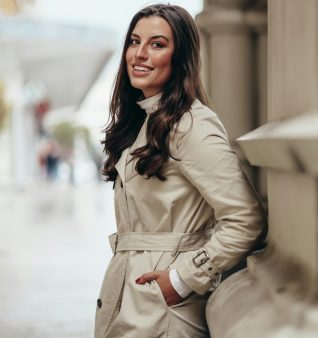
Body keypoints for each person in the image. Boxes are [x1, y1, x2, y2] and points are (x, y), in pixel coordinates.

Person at [95, 4, 266, 338]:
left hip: (164, 311)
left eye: (157, 44)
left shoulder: (191, 124)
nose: (140, 54)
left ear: (180, 57)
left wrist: (182, 279)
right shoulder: (143, 123)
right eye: (134, 42)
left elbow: (246, 219)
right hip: (133, 300)